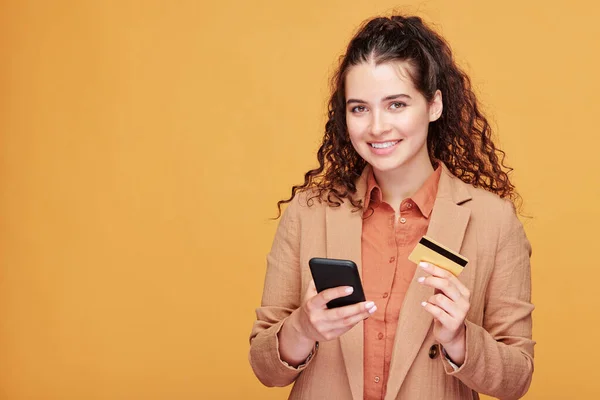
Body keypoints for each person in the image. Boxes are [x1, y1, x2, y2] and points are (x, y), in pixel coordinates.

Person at [249, 14, 534, 400]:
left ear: (434, 105)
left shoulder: (493, 221)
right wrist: (304, 328)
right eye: (359, 108)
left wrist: (460, 338)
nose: (377, 127)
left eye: (396, 104)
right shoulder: (309, 212)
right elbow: (264, 368)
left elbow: (516, 380)